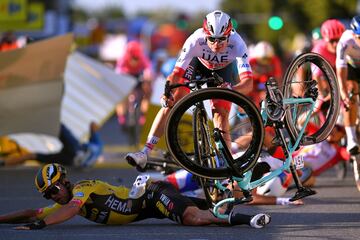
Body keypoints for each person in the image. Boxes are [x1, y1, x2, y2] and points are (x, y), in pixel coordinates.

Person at [126, 10, 253, 171]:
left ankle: (227, 166)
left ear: (229, 35)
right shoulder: (195, 40)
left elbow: (248, 83)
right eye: (212, 39)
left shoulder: (238, 43)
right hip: (197, 65)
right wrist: (167, 92)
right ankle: (145, 152)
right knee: (172, 102)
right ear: (205, 34)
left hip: (223, 72)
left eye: (221, 39)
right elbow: (176, 74)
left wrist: (231, 89)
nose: (216, 44)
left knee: (220, 115)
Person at [0, 163, 271, 229]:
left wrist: (43, 224)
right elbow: (30, 212)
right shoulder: (68, 202)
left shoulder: (82, 188)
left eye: (54, 189)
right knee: (215, 205)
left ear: (65, 181)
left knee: (194, 218)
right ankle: (242, 192)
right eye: (48, 195)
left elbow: (68, 210)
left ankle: (249, 220)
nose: (52, 197)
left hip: (152, 195)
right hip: (152, 208)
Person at [0, 122, 102, 168]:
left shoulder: (97, 143)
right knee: (34, 156)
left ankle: (4, 163)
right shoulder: (98, 147)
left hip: (75, 150)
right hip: (70, 160)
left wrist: (96, 127)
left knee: (59, 127)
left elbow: (93, 125)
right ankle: (3, 163)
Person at [115, 40, 154, 126]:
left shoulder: (142, 57)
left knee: (147, 91)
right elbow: (118, 71)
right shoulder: (123, 58)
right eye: (133, 57)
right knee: (121, 95)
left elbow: (148, 68)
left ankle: (144, 113)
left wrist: (147, 75)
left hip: (138, 76)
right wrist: (122, 76)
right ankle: (122, 115)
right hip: (126, 75)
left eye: (137, 58)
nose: (135, 60)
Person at [248, 41, 283, 106]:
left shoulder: (275, 61)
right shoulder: (251, 61)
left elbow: (278, 79)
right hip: (254, 88)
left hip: (268, 87)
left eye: (267, 59)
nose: (264, 62)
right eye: (261, 59)